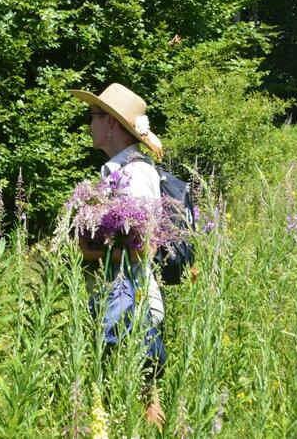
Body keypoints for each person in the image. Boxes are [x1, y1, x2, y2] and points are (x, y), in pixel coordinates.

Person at [69, 82, 167, 428]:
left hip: (131, 306)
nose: (88, 124)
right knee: (122, 402)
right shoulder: (116, 173)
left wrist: (89, 250)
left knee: (142, 407)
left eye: (92, 116)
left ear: (111, 123)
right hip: (119, 301)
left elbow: (145, 246)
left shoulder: (135, 174)